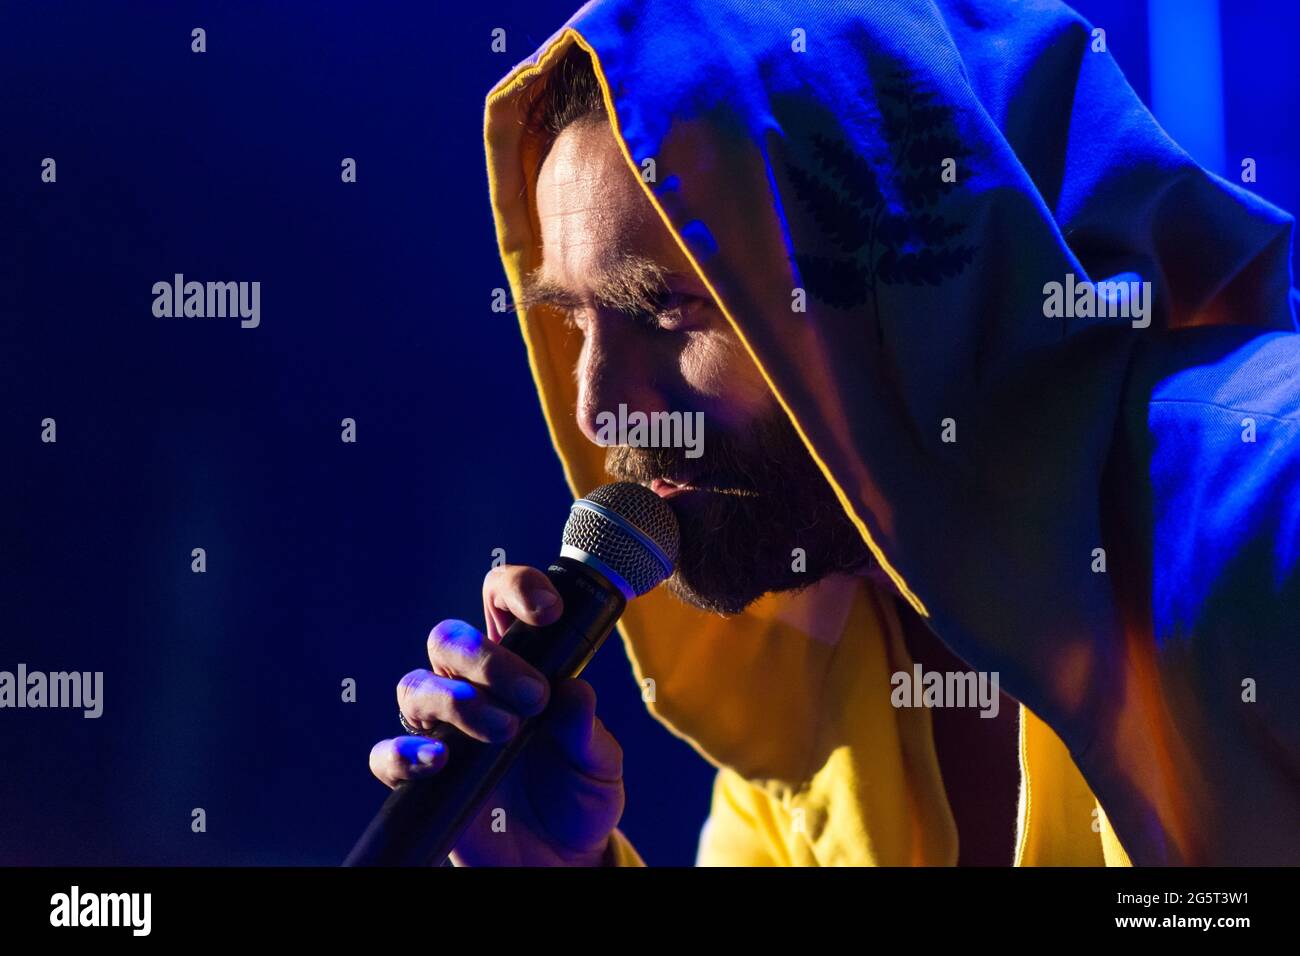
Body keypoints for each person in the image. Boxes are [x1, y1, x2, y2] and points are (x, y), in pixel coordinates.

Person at [370, 0, 1300, 865]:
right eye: (574, 321)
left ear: (904, 291)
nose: (596, 406)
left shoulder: (1270, 504)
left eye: (668, 307)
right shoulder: (817, 705)